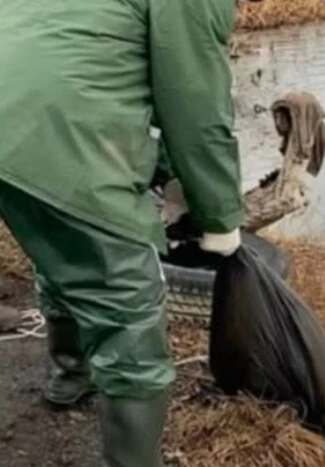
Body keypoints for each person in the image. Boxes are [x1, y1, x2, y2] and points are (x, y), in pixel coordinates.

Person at [0, 0, 244, 465]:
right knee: (125, 300)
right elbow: (196, 107)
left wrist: (171, 177)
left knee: (66, 238)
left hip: (17, 109)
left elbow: (110, 65)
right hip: (48, 123)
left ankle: (70, 375)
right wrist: (220, 219)